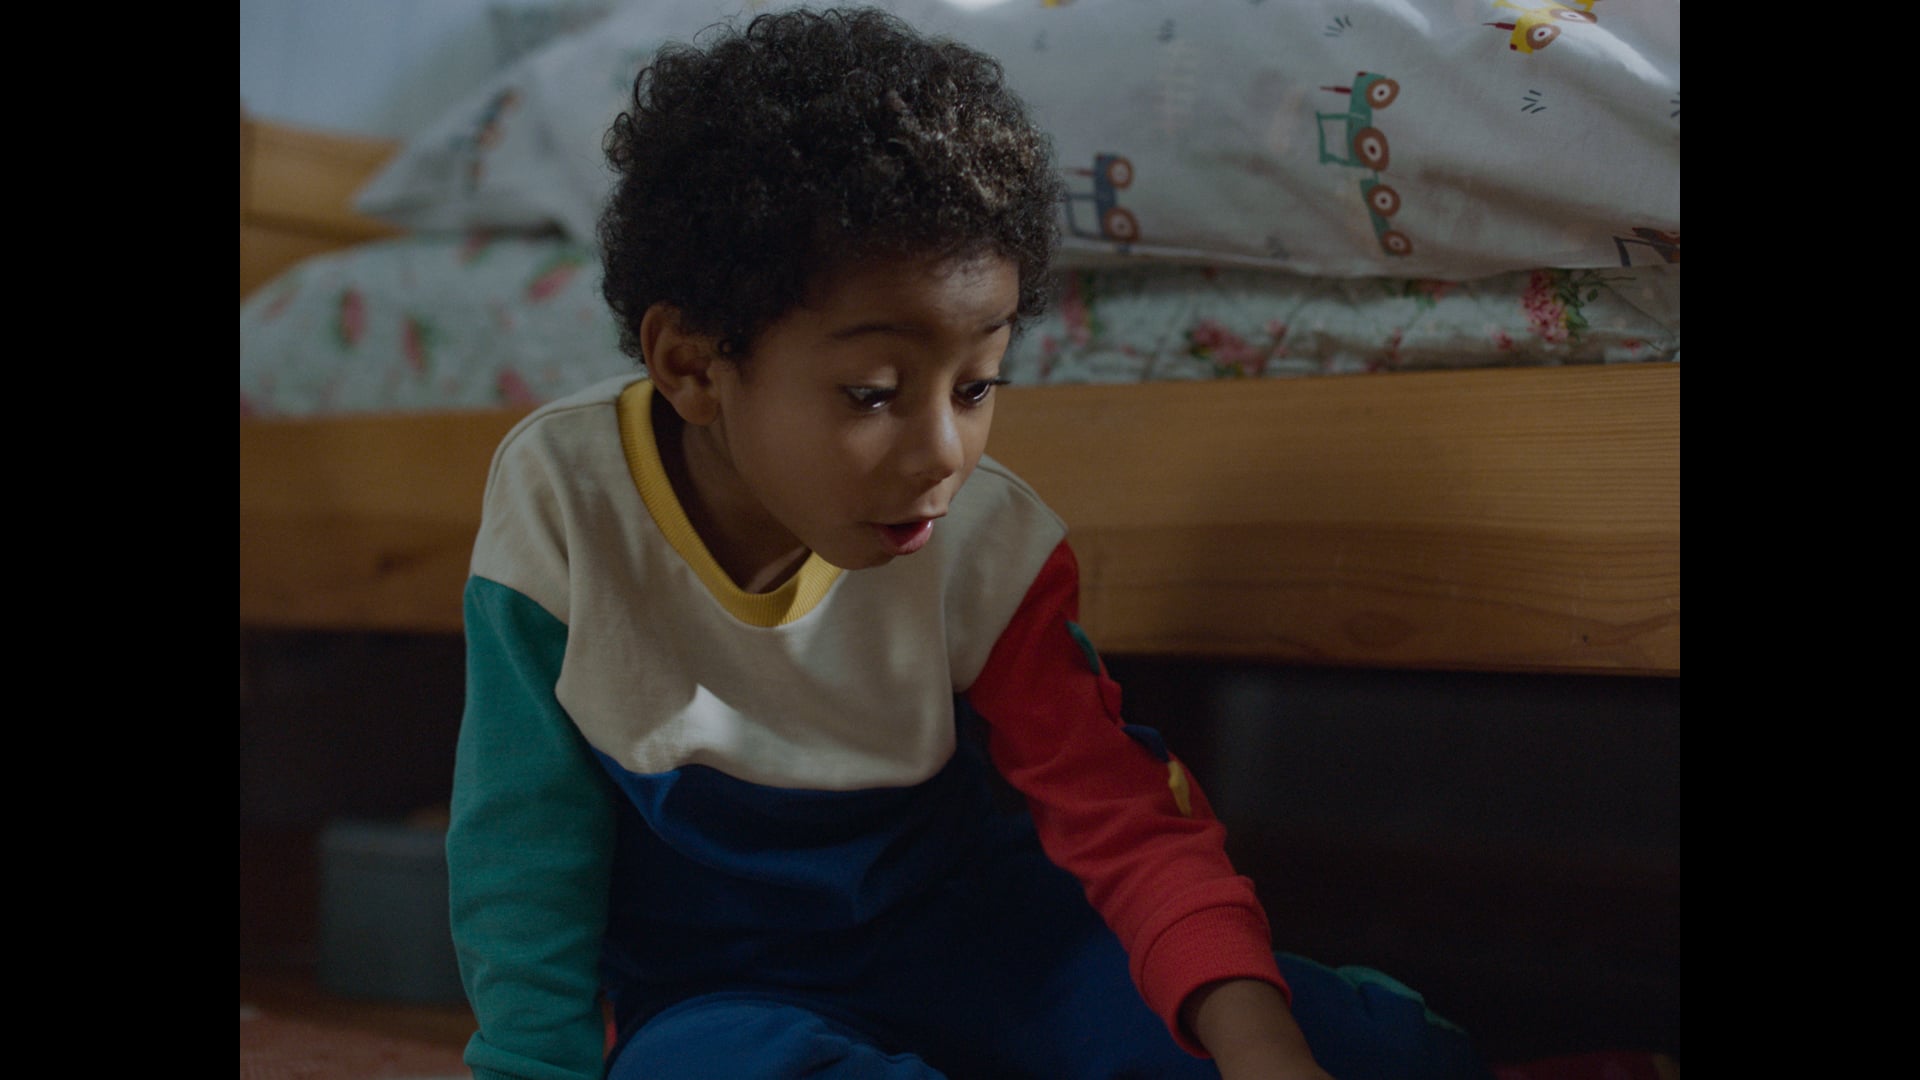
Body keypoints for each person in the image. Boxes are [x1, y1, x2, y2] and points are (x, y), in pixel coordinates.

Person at [448, 8, 1491, 1079]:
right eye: (872, 393)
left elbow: (1125, 818)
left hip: (982, 951)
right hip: (723, 996)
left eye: (978, 386)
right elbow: (522, 842)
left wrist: (1267, 1054)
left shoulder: (986, 537)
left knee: (1358, 1053)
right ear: (690, 365)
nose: (941, 453)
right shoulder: (565, 496)